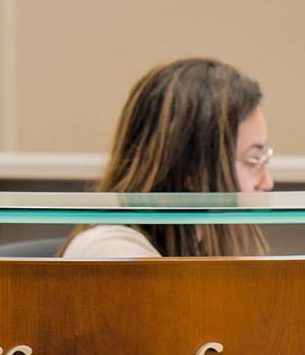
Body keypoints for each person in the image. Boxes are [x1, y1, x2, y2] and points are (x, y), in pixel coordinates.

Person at [61, 58, 274, 258]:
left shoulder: (192, 242)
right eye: (253, 160)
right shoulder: (111, 252)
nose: (267, 182)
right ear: (191, 171)